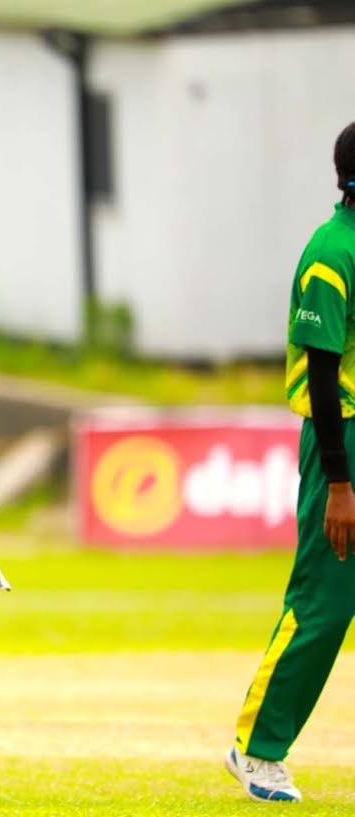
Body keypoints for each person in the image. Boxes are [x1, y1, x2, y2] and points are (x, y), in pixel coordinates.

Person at [226, 121, 355, 804]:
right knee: (325, 604)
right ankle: (257, 746)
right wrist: (339, 482)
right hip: (346, 443)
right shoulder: (332, 252)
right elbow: (326, 376)